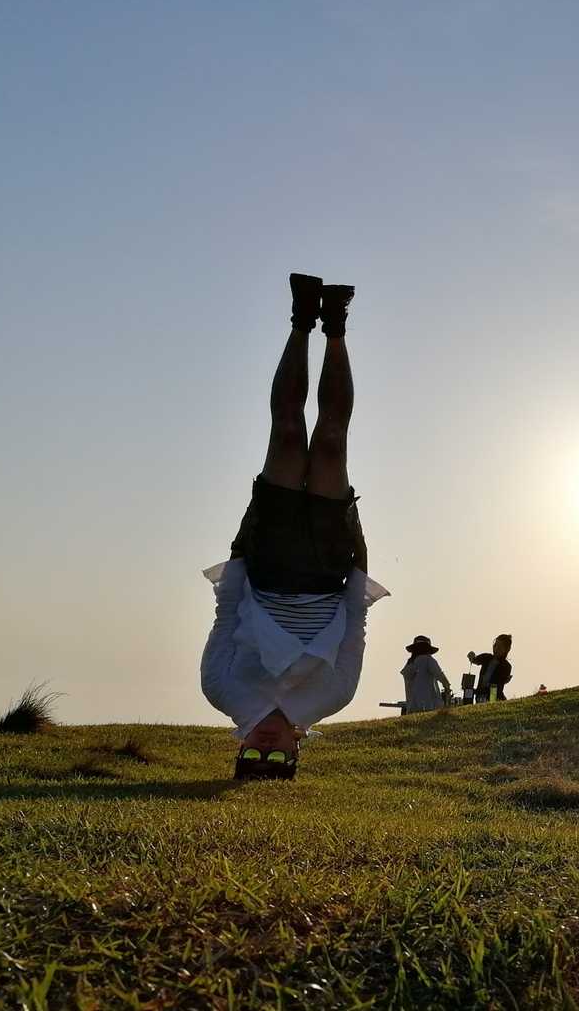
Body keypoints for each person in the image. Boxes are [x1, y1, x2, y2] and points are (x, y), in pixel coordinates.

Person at [200, 273, 390, 779]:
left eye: (252, 757)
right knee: (330, 441)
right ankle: (336, 327)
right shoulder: (333, 695)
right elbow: (355, 620)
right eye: (277, 758)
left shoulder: (221, 691)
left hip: (267, 561)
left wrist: (249, 526)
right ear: (296, 752)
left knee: (286, 432)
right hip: (328, 568)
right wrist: (355, 533)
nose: (265, 747)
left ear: (240, 750)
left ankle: (302, 320)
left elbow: (227, 610)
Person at [401, 635, 451, 713]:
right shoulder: (428, 660)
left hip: (412, 707)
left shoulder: (409, 664)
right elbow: (439, 675)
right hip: (429, 705)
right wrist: (447, 687)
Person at [468, 634, 513, 702]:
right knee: (468, 691)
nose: (496, 648)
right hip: (480, 695)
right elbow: (475, 660)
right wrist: (471, 656)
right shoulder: (487, 657)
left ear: (506, 650)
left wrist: (504, 681)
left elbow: (498, 685)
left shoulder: (506, 666)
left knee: (493, 689)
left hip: (493, 695)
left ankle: (492, 703)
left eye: (499, 647)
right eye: (495, 645)